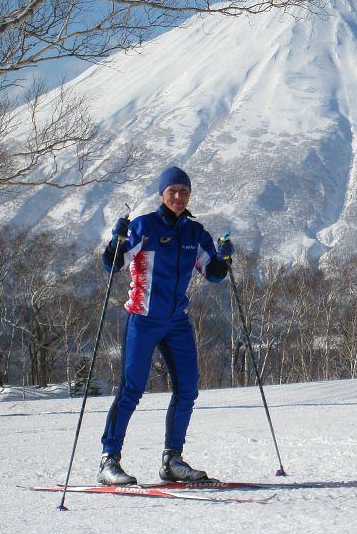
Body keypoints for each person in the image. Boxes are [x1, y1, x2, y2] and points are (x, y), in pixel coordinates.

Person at [97, 166, 234, 485]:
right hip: (143, 318)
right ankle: (109, 460)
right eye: (172, 191)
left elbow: (212, 274)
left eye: (183, 192)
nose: (178, 196)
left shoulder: (194, 233)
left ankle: (172, 460)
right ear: (162, 194)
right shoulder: (144, 226)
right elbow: (112, 265)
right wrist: (115, 241)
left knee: (187, 389)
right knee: (131, 389)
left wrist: (223, 259)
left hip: (176, 321)